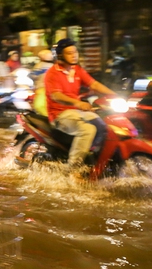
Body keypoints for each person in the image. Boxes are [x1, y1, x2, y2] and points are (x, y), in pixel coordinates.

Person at [45, 38, 117, 170]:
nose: (74, 55)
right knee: (88, 129)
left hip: (76, 112)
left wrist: (113, 94)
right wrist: (77, 103)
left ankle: (92, 157)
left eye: (75, 52)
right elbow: (56, 95)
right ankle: (73, 166)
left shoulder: (77, 70)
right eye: (70, 53)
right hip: (60, 115)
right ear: (60, 56)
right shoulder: (52, 73)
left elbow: (93, 84)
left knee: (103, 125)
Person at [28, 49, 54, 116]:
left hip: (42, 88)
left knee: (39, 105)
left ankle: (48, 118)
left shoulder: (40, 65)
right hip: (52, 89)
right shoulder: (54, 66)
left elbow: (32, 75)